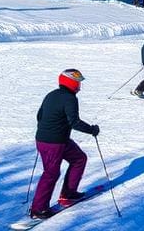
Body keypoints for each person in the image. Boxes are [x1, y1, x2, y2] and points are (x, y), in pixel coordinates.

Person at [29, 69, 99, 220]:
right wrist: (92, 130)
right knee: (51, 173)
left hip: (56, 140)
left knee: (79, 158)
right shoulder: (69, 98)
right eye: (78, 82)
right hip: (52, 143)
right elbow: (74, 122)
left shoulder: (52, 94)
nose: (79, 86)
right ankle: (38, 209)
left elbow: (39, 115)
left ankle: (69, 194)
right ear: (71, 82)